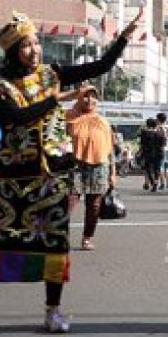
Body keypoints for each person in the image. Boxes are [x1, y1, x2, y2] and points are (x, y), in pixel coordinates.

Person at [0, 7, 142, 335]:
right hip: (17, 176)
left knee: (55, 245)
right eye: (26, 45)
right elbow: (19, 118)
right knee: (1, 243)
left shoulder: (51, 73)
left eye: (36, 43)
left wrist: (125, 37)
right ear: (13, 51)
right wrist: (59, 99)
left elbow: (100, 66)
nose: (34, 50)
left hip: (54, 176)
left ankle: (52, 311)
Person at [67, 87, 116, 251]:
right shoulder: (69, 117)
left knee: (94, 206)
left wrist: (113, 173)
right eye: (85, 96)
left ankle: (87, 238)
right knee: (69, 202)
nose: (89, 100)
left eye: (93, 97)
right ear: (79, 98)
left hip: (100, 167)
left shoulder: (103, 121)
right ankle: (59, 235)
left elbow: (110, 149)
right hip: (75, 165)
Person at [139, 118, 165, 192]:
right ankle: (156, 182)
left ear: (147, 125)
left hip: (148, 153)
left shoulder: (144, 133)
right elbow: (163, 144)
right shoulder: (160, 133)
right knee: (157, 169)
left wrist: (140, 152)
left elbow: (142, 144)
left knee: (148, 169)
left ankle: (153, 182)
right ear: (156, 125)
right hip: (159, 153)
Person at [156, 112, 168, 190]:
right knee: (167, 166)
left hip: (161, 149)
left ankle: (162, 183)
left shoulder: (158, 128)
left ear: (158, 119)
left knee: (160, 167)